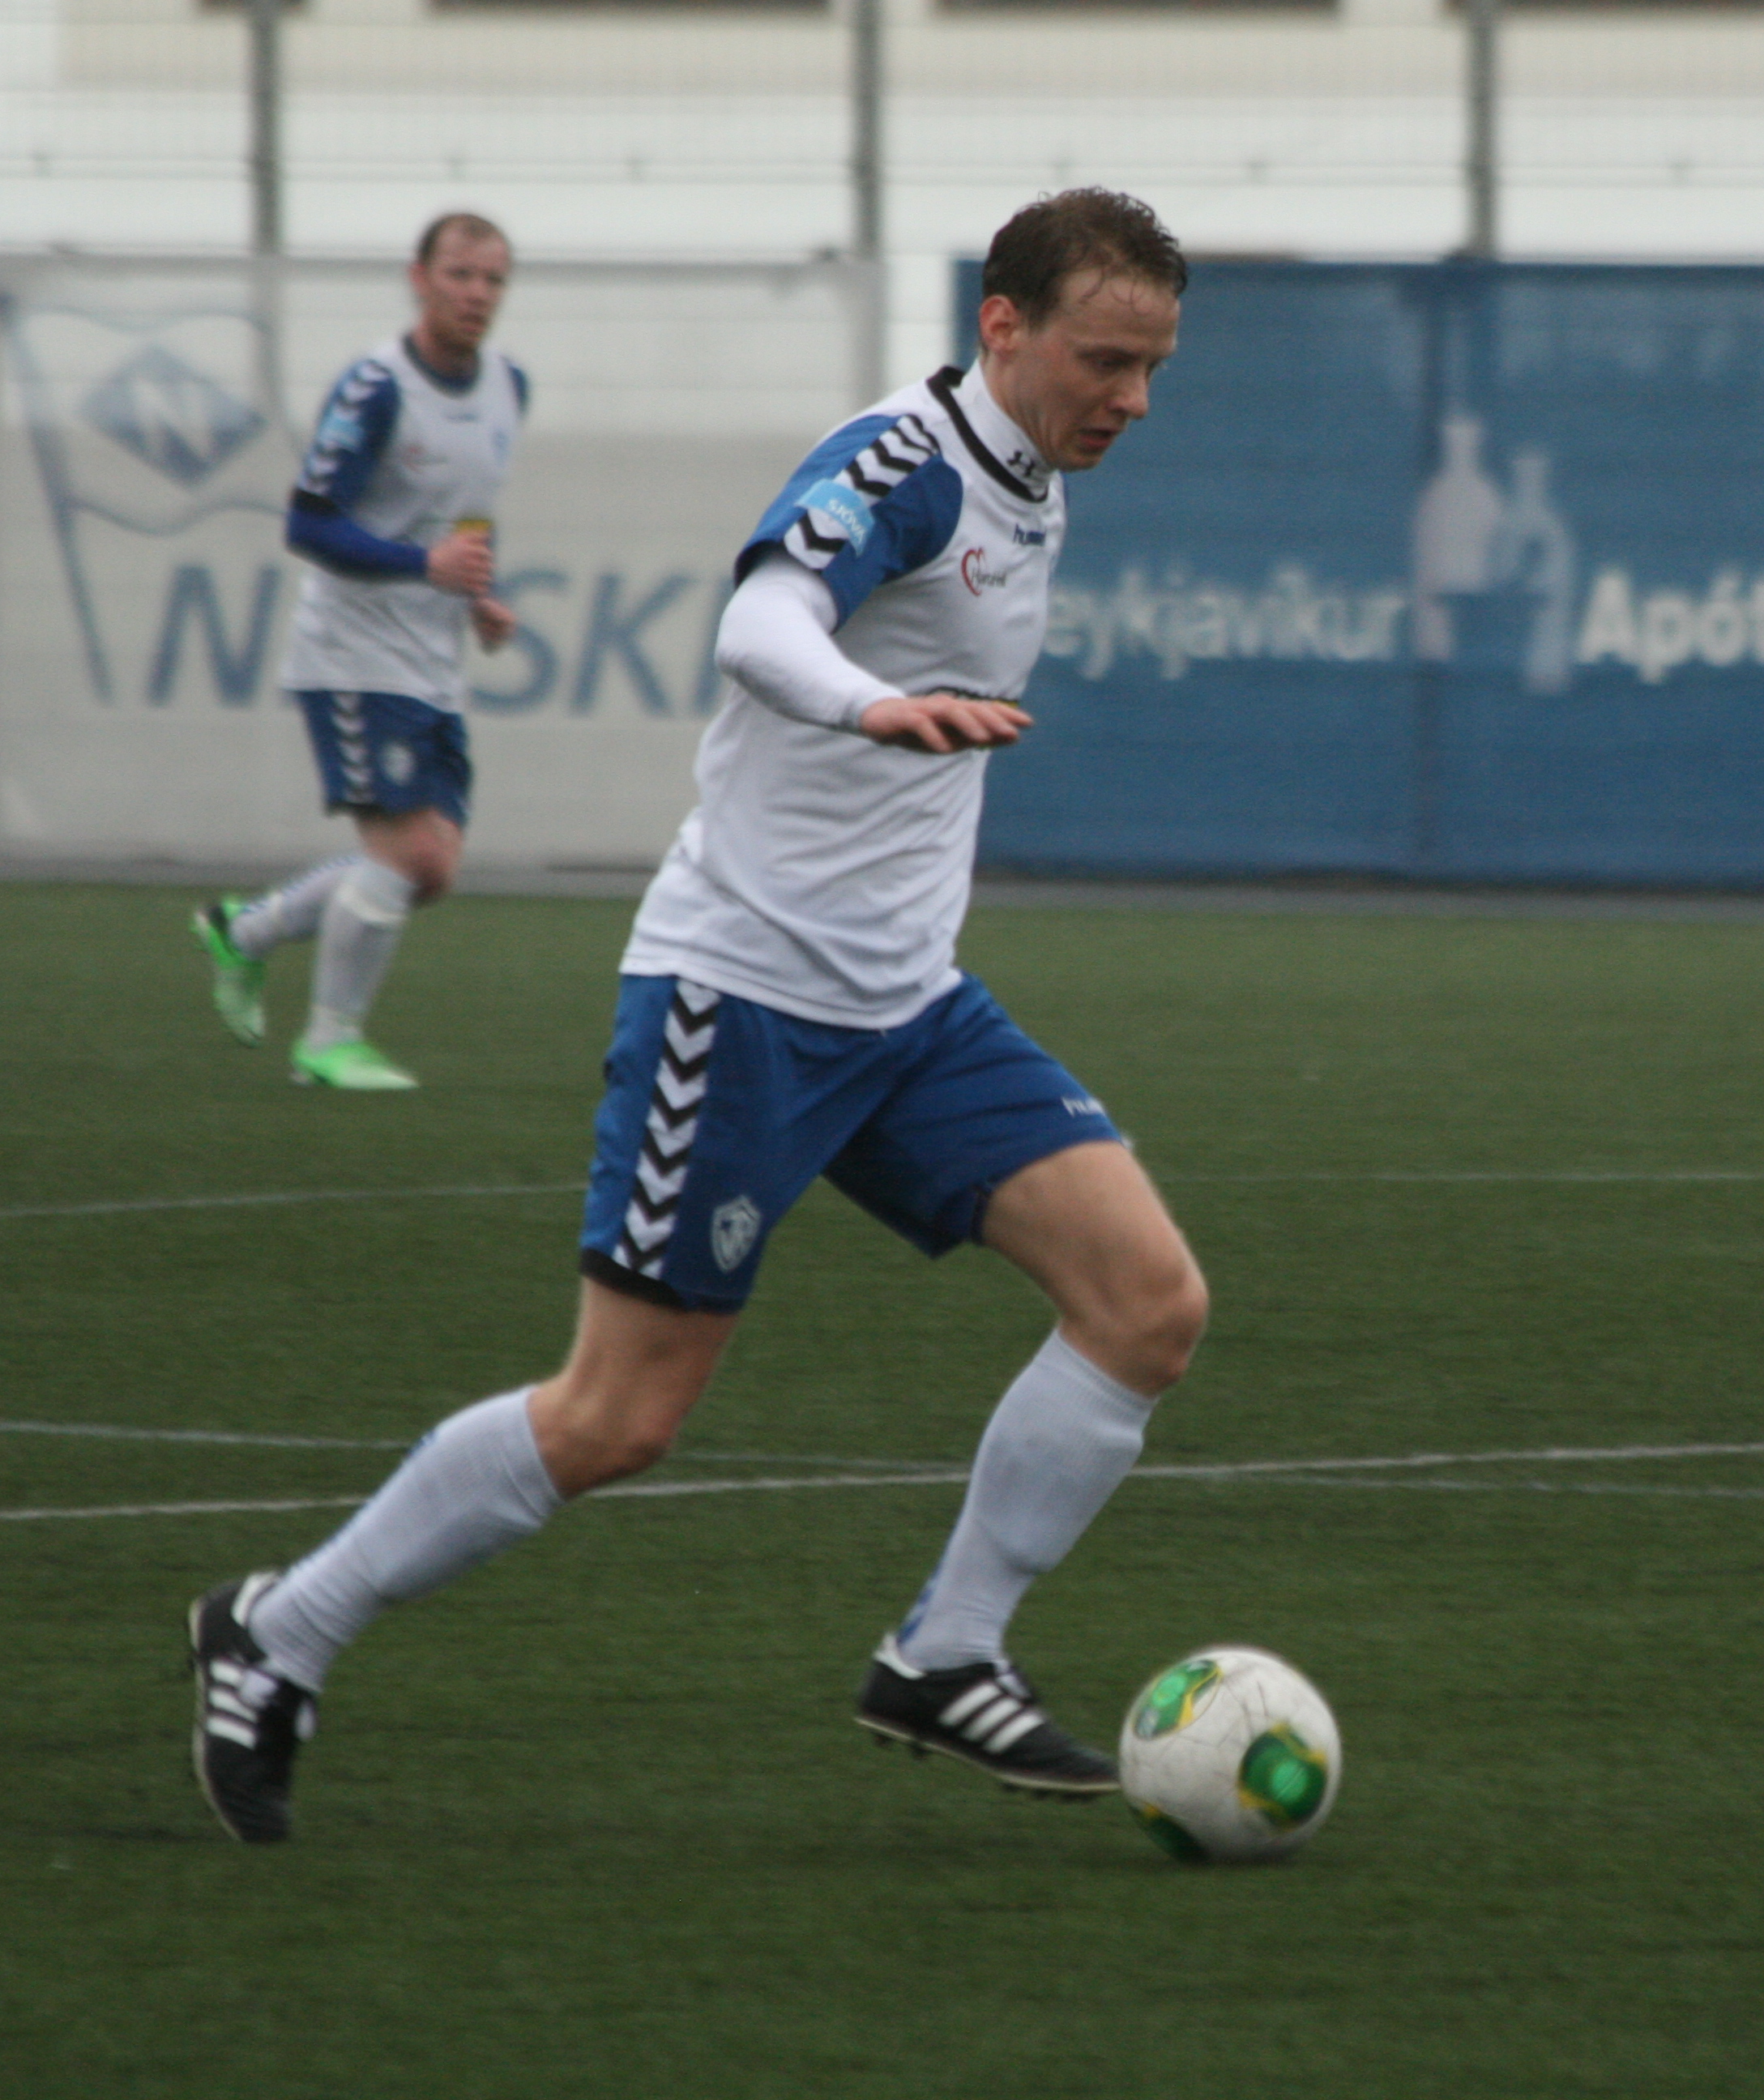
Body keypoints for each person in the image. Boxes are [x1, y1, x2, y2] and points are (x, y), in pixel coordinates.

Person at [186, 189, 1198, 1842]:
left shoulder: (1035, 469)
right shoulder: (904, 460)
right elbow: (757, 622)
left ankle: (945, 1654)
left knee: (1147, 1303)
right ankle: (277, 1630)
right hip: (743, 1000)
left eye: (1153, 368)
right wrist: (871, 704)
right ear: (1003, 326)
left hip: (909, 1009)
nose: (1132, 399)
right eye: (1105, 360)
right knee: (618, 1418)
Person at [188, 212, 526, 1091]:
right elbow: (309, 524)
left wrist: (477, 596)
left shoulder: (508, 386)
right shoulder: (376, 389)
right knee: (410, 858)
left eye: (493, 279)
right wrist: (425, 566)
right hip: (352, 653)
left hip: (431, 660)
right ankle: (328, 1042)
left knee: (430, 870)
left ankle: (245, 931)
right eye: (459, 274)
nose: (477, 294)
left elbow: (463, 518)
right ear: (419, 279)